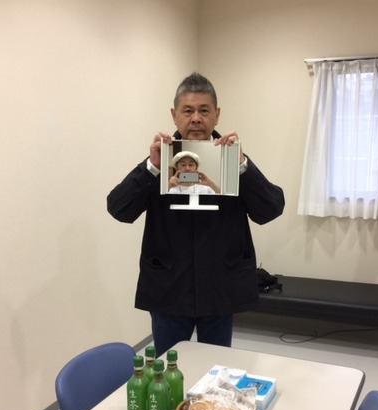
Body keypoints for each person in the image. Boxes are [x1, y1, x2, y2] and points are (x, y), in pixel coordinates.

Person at [107, 72, 284, 357]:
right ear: (174, 115)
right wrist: (151, 168)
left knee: (215, 370)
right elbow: (118, 209)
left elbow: (271, 209)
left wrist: (242, 166)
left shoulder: (232, 159)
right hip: (169, 287)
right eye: (188, 111)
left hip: (220, 286)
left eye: (204, 110)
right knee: (171, 368)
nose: (196, 119)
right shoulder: (161, 161)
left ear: (217, 114)